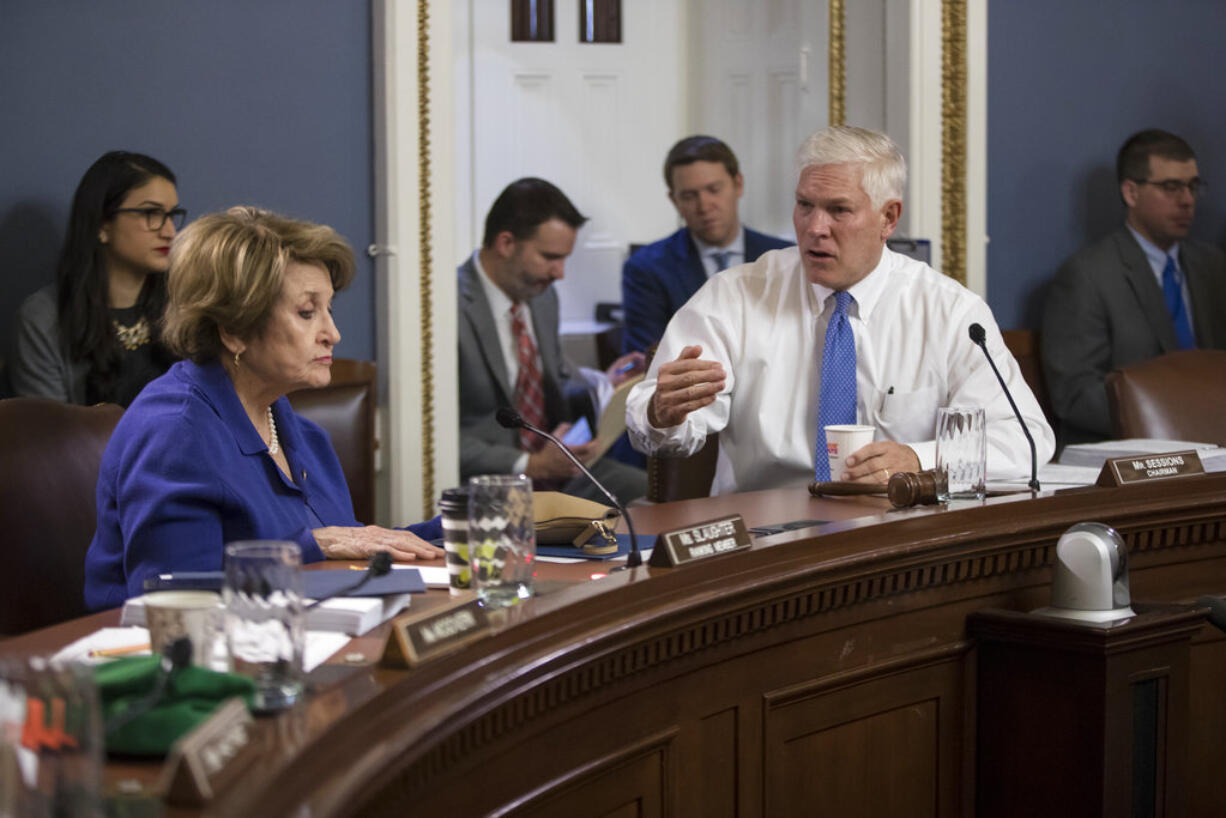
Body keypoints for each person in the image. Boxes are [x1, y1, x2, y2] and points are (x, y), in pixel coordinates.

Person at [626, 125, 1054, 495]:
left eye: (838, 210)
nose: (815, 228)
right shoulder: (735, 295)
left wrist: (918, 460)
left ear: (889, 218)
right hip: (764, 536)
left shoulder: (947, 311)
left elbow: (1025, 442)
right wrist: (661, 413)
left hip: (896, 533)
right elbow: (660, 425)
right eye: (805, 205)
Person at [84, 207, 442, 610]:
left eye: (330, 310)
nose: (333, 334)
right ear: (234, 330)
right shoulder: (174, 432)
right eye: (307, 313)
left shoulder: (303, 435)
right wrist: (311, 546)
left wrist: (462, 528)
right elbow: (173, 597)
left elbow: (354, 548)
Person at [458, 178, 647, 504]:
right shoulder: (445, 309)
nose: (560, 273)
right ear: (506, 243)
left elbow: (555, 381)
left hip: (560, 473)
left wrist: (604, 384)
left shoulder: (543, 299)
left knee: (654, 493)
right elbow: (432, 436)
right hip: (490, 485)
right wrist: (531, 464)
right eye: (550, 257)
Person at [1041, 129, 1226, 444]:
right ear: (1131, 192)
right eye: (1171, 187)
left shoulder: (1214, 266)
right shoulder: (1087, 275)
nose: (1187, 200)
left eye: (1193, 186)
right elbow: (1075, 395)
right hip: (1132, 456)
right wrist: (1179, 415)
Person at [13, 151, 182, 406]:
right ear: (102, 225)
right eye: (151, 214)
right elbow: (48, 438)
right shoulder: (44, 319)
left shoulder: (182, 305)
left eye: (171, 215)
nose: (169, 231)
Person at [621, 135, 793, 353]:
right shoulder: (647, 268)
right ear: (674, 201)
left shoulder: (784, 256)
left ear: (738, 185)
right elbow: (646, 358)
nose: (704, 206)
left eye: (714, 190)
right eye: (689, 196)